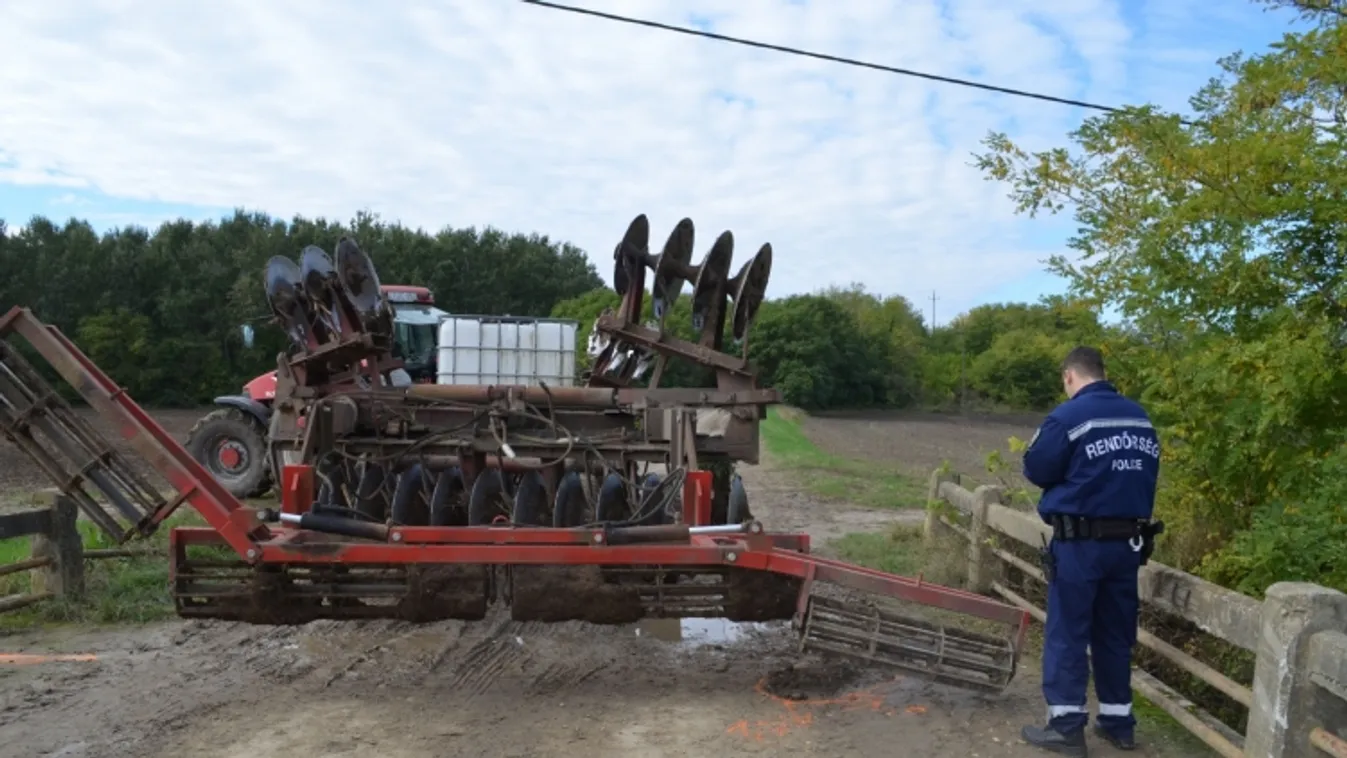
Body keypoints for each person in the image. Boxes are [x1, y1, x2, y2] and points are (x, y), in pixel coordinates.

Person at [1019, 346, 1161, 757]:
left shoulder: (1069, 418)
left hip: (1081, 545)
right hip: (1129, 545)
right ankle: (1119, 724)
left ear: (1069, 376)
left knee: (1068, 632)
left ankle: (1066, 727)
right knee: (1115, 635)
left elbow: (1036, 468)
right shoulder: (1140, 417)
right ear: (1103, 372)